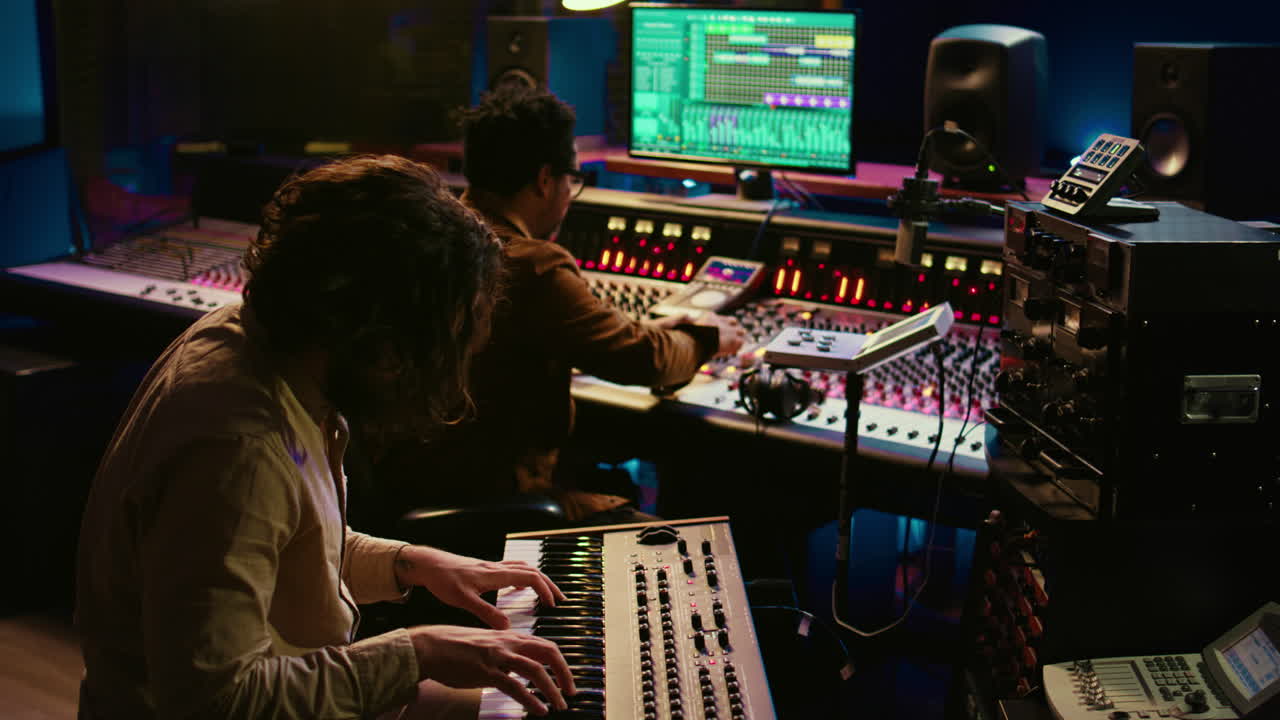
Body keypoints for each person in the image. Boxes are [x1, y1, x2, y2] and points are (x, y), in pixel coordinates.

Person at [74, 156, 576, 720]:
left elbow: (286, 549)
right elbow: (215, 701)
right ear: (376, 335)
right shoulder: (239, 447)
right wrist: (417, 653)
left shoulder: (249, 338)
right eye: (429, 349)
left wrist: (409, 564)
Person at [362, 87, 747, 526]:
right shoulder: (532, 266)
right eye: (573, 180)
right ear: (545, 180)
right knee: (689, 550)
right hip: (495, 501)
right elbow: (645, 359)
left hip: (409, 489)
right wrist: (708, 339)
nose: (570, 192)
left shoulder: (430, 238)